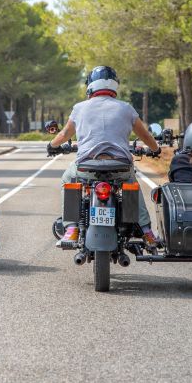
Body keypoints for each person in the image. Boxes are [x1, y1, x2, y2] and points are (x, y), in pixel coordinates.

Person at [48, 65, 161, 248]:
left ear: (90, 85)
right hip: (120, 167)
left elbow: (64, 135)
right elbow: (146, 136)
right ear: (114, 85)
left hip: (87, 167)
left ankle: (71, 228)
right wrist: (155, 149)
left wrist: (51, 145)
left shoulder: (79, 108)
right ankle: (147, 232)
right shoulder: (126, 108)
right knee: (132, 183)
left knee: (68, 178)